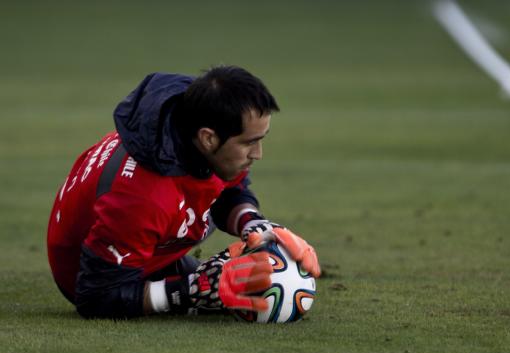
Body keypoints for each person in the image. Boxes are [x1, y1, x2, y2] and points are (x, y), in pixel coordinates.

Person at [46, 65, 321, 319]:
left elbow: (230, 187)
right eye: (250, 142)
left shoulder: (196, 118)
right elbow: (95, 298)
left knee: (250, 280)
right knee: (227, 284)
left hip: (144, 242)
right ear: (208, 138)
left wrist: (253, 223)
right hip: (95, 276)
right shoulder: (142, 199)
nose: (258, 154)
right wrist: (189, 290)